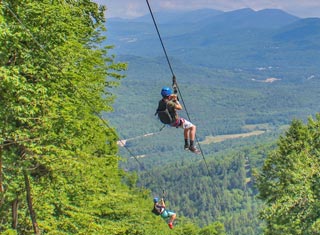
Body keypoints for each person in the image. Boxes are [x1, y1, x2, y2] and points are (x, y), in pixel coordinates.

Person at [156, 87, 200, 154]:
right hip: (176, 121)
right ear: (169, 95)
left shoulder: (161, 102)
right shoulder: (170, 103)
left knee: (186, 127)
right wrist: (176, 100)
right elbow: (180, 108)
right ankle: (191, 146)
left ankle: (186, 145)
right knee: (193, 127)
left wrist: (171, 97)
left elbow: (166, 102)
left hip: (169, 122)